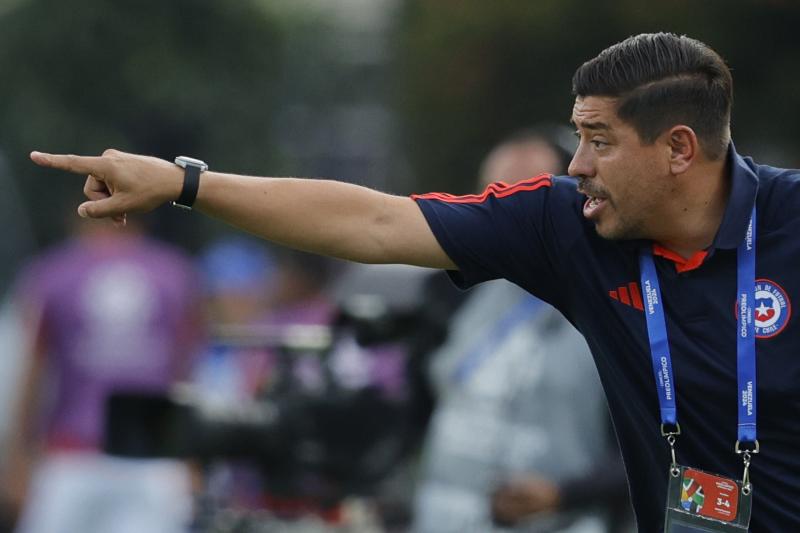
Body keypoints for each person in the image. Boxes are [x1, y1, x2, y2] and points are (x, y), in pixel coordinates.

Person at [30, 32, 800, 531]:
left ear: (677, 148)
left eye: (599, 141)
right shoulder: (567, 223)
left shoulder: (792, 222)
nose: (576, 165)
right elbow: (376, 224)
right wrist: (184, 182)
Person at [411, 130, 630, 533]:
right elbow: (418, 409)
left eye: (519, 200)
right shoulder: (452, 291)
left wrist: (565, 493)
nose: (499, 217)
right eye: (488, 199)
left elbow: (659, 450)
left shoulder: (619, 299)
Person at [2, 216, 202, 533]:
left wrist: (17, 458)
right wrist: (192, 456)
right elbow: (188, 370)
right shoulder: (174, 270)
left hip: (76, 456)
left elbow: (33, 373)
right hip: (149, 457)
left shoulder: (53, 270)